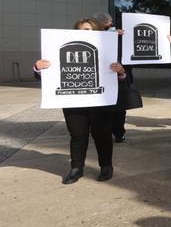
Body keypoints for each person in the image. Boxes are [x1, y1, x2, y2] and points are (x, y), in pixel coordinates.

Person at [34, 18, 127, 184]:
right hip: (73, 101)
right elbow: (52, 74)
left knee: (102, 135)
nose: (86, 33)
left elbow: (121, 79)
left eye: (89, 30)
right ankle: (76, 169)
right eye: (82, 30)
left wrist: (120, 72)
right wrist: (38, 68)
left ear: (97, 30)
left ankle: (106, 167)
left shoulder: (108, 48)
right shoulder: (58, 46)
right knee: (77, 136)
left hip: (100, 101)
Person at [94, 12, 131, 143]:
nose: (110, 25)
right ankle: (105, 132)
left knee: (120, 108)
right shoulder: (93, 35)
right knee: (103, 107)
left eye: (110, 23)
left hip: (119, 75)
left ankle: (119, 132)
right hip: (100, 77)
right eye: (107, 24)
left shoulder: (119, 35)